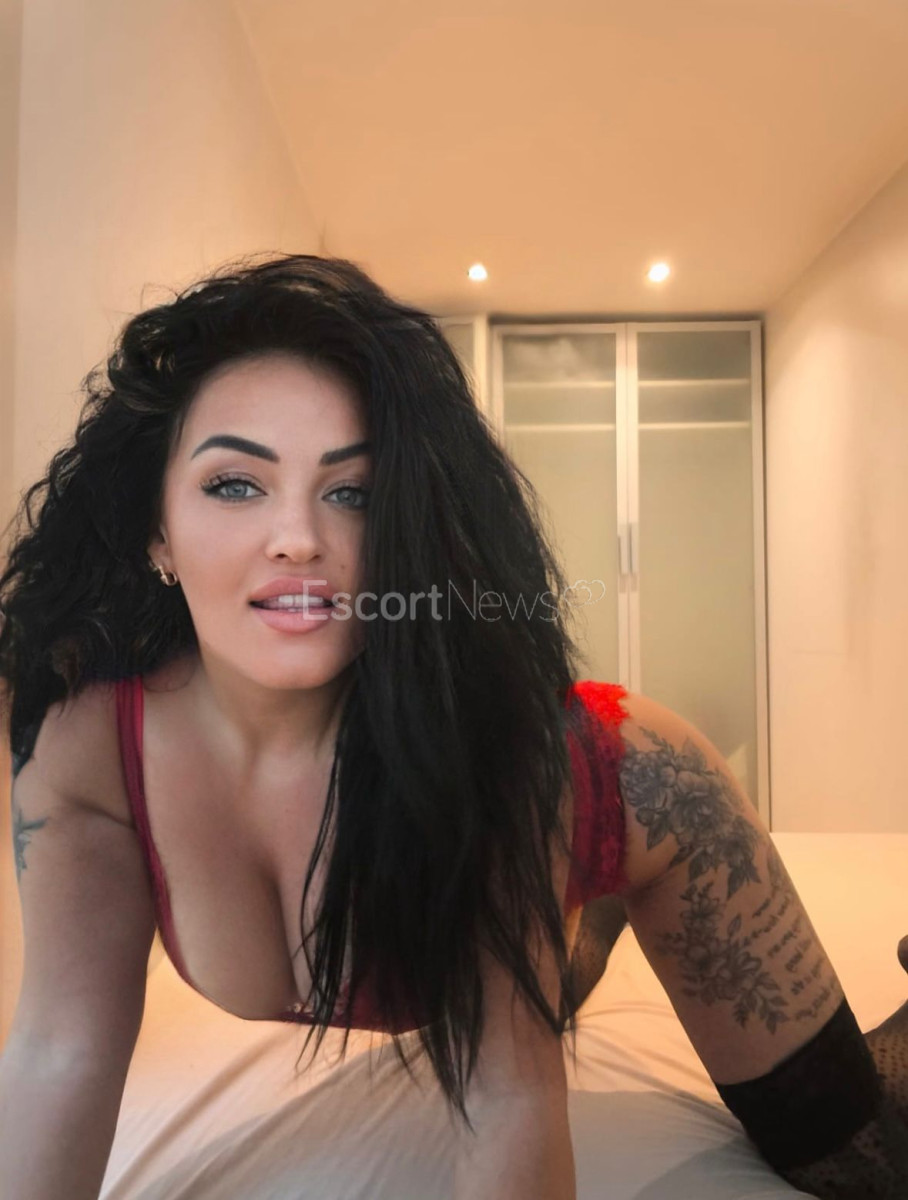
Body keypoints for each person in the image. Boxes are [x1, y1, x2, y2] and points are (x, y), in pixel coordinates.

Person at [0, 252, 904, 1200]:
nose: (298, 539)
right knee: (535, 980)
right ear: (155, 530)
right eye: (235, 484)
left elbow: (511, 1097)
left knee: (863, 1160)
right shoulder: (85, 744)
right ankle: (576, 918)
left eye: (353, 492)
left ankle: (603, 896)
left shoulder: (491, 752)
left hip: (637, 797)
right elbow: (61, 1050)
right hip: (523, 853)